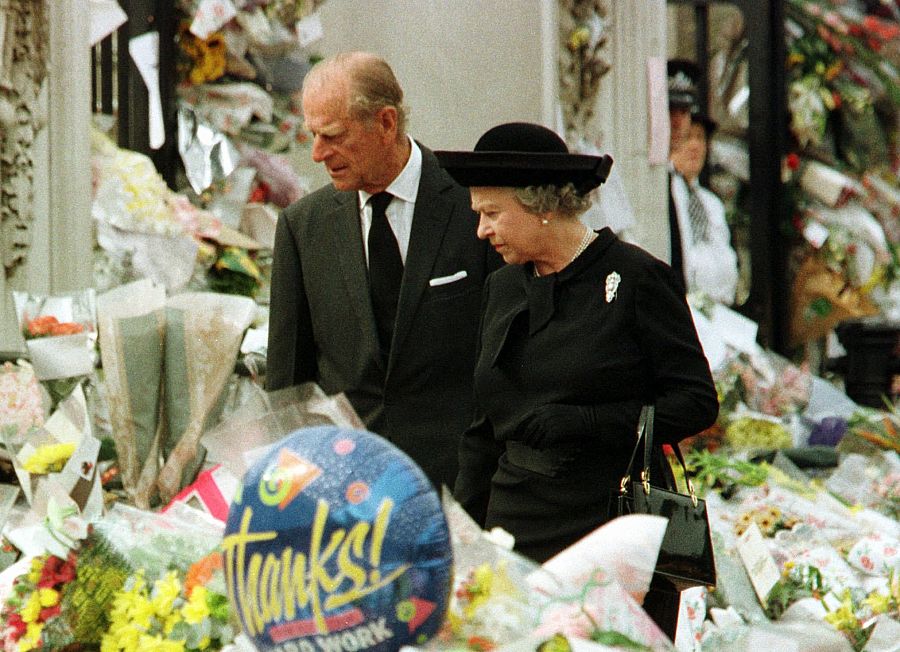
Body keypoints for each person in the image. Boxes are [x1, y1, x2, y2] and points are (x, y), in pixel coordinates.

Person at [435, 122, 719, 564]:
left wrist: (589, 422)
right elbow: (483, 429)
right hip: (516, 530)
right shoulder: (502, 287)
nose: (481, 231)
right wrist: (462, 537)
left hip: (614, 527)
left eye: (492, 213)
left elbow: (696, 402)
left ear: (542, 206)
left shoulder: (637, 279)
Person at [266, 52, 502, 490]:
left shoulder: (474, 208)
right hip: (347, 489)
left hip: (463, 486)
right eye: (313, 136)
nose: (318, 154)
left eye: (333, 136)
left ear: (386, 123)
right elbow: (288, 389)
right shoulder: (303, 227)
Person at [669, 114, 739, 304]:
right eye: (688, 137)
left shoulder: (712, 203)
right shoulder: (668, 192)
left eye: (700, 138)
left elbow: (726, 264)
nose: (695, 146)